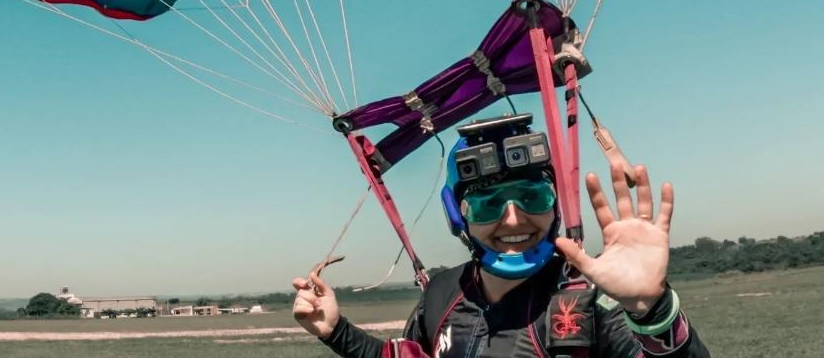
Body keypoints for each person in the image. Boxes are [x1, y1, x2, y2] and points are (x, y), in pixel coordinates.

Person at [292, 115, 710, 357]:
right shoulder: (442, 293)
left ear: (555, 205)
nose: (513, 220)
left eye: (531, 196)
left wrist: (651, 310)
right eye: (489, 204)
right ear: (458, 215)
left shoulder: (594, 301)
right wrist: (336, 330)